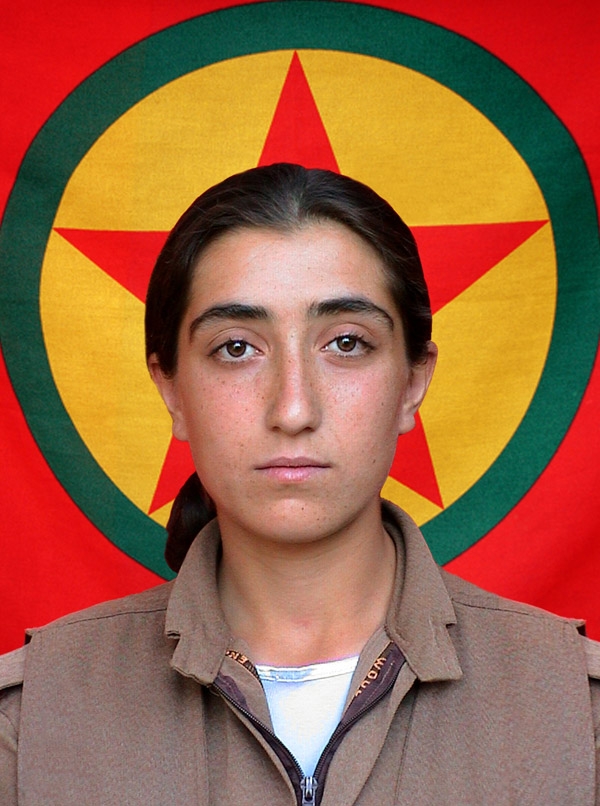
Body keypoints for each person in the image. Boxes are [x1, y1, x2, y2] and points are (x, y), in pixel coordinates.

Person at [0, 163, 598, 804]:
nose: (292, 409)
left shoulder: (576, 713)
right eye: (236, 348)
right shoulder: (30, 723)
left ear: (413, 381)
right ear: (170, 388)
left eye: (346, 343)